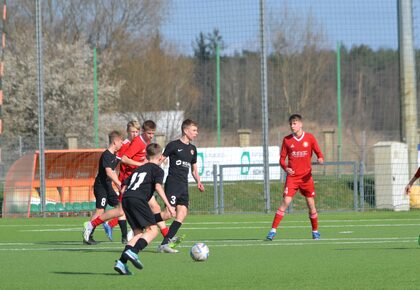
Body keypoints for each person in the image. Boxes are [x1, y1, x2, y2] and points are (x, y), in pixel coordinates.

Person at [114, 143, 175, 275]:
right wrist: (169, 205)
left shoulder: (139, 169)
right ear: (160, 158)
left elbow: (123, 187)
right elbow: (158, 187)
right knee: (153, 230)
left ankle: (121, 262)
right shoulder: (158, 170)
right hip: (138, 199)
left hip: (126, 199)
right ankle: (133, 252)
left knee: (138, 233)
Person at [266, 114, 324, 241]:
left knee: (310, 204)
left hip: (306, 178)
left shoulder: (310, 138)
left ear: (300, 124)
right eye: (291, 124)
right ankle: (272, 231)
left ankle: (315, 231)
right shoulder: (287, 140)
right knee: (286, 202)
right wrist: (286, 168)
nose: (292, 126)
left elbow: (319, 153)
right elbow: (281, 159)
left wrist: (320, 158)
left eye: (295, 123)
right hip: (292, 178)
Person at [157, 119, 205, 253]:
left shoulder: (192, 149)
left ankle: (164, 244)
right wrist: (151, 172)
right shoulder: (173, 145)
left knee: (182, 214)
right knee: (168, 214)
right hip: (173, 183)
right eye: (194, 130)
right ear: (185, 130)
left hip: (184, 186)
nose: (196, 133)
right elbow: (160, 160)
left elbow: (194, 169)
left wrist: (198, 182)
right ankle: (145, 221)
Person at [103, 120, 141, 244]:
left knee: (126, 208)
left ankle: (115, 227)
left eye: (137, 131)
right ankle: (122, 233)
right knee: (123, 208)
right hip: (125, 180)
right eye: (132, 132)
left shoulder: (140, 143)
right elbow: (117, 161)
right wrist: (115, 178)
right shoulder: (124, 145)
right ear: (128, 132)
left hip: (136, 180)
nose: (135, 134)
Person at [83, 130, 124, 245]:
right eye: (121, 141)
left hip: (108, 186)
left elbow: (114, 172)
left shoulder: (115, 156)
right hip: (101, 186)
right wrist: (119, 184)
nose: (121, 144)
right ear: (115, 142)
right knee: (100, 211)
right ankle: (88, 232)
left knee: (120, 208)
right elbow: (109, 172)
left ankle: (110, 225)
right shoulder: (106, 155)